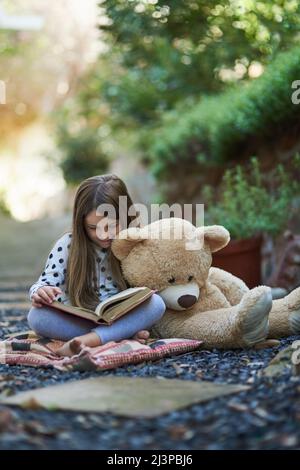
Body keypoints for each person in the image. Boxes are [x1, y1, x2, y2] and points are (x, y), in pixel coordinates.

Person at [27, 174, 166, 357]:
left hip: (120, 317)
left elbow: (150, 285)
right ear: (81, 223)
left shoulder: (135, 243)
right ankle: (117, 336)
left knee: (157, 304)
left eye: (112, 225)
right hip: (80, 320)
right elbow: (46, 281)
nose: (103, 235)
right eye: (93, 228)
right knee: (37, 316)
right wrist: (40, 291)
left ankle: (91, 340)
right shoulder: (68, 244)